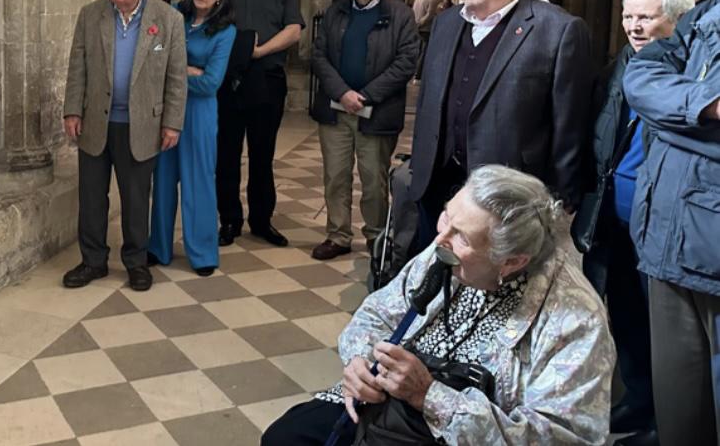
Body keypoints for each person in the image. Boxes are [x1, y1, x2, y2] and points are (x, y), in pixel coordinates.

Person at [262, 165, 615, 446]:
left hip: (461, 430)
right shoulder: (444, 251)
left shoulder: (575, 318)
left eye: (461, 237)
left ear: (512, 261)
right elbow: (377, 313)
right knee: (285, 437)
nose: (439, 240)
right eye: (447, 218)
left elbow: (564, 437)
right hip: (389, 404)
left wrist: (429, 396)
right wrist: (360, 361)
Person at [409, 0, 592, 237]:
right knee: (436, 257)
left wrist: (562, 195)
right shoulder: (446, 23)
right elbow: (428, 98)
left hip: (508, 187)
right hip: (437, 179)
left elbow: (570, 122)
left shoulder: (557, 29)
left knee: (495, 265)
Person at [582, 0, 695, 446]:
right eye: (628, 16)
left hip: (665, 222)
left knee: (666, 331)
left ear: (679, 18)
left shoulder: (692, 73)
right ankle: (639, 397)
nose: (634, 26)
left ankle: (667, 423)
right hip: (613, 214)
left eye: (646, 17)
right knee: (626, 315)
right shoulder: (621, 64)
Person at [624, 0, 720, 445]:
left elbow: (655, 102)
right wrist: (706, 108)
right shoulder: (706, 14)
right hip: (665, 242)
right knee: (679, 418)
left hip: (712, 252)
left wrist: (669, 120)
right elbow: (640, 77)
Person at [61, 0, 187, 292]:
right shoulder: (91, 15)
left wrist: (172, 123)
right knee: (91, 198)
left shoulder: (168, 19)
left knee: (135, 200)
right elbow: (77, 66)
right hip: (96, 123)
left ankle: (136, 262)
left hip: (141, 125)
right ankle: (93, 261)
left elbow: (177, 78)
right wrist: (72, 110)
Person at [309, 0, 418, 261]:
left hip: (377, 112)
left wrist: (366, 95)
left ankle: (376, 236)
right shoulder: (335, 12)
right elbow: (319, 55)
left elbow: (406, 62)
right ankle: (338, 235)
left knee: (373, 180)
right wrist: (343, 92)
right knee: (336, 176)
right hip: (336, 110)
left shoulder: (401, 15)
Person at [216, 0, 304, 248]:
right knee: (227, 154)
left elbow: (294, 29)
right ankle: (229, 219)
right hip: (229, 81)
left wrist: (261, 51)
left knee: (262, 154)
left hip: (267, 79)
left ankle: (262, 220)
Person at [147, 0, 236, 276]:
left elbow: (211, 82)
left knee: (199, 181)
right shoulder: (174, 13)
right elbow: (154, 58)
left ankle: (202, 253)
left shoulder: (226, 31)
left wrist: (174, 73)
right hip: (167, 109)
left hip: (199, 113)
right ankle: (158, 247)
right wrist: (186, 71)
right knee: (163, 179)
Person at [412, 0, 442, 80]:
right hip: (425, 29)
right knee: (424, 52)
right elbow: (429, 16)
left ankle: (413, 72)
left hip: (416, 28)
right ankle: (418, 74)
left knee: (418, 51)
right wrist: (420, 24)